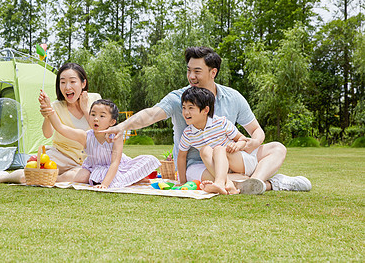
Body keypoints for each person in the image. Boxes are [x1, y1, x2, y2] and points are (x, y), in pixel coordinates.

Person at [103, 46, 311, 194]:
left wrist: (250, 144)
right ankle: (273, 183)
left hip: (232, 157)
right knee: (218, 176)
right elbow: (150, 114)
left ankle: (256, 180)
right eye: (188, 71)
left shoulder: (233, 97)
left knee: (277, 148)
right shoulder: (179, 98)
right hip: (198, 165)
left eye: (197, 71)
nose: (191, 76)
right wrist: (122, 125)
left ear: (213, 72)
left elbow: (257, 132)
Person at [0, 63, 101, 184]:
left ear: (83, 83)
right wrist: (47, 116)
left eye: (73, 81)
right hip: (61, 156)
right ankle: (1, 177)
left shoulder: (95, 99)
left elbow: (100, 131)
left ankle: (50, 180)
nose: (67, 87)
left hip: (87, 160)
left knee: (82, 176)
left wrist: (85, 109)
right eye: (62, 82)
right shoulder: (55, 106)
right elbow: (47, 134)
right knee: (25, 177)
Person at [40, 93, 161, 188]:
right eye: (93, 114)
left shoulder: (116, 136)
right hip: (95, 168)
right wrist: (48, 108)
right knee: (82, 176)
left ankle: (134, 179)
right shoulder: (86, 136)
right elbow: (61, 128)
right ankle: (52, 179)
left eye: (102, 116)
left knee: (146, 161)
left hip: (117, 167)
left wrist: (105, 185)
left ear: (112, 122)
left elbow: (115, 163)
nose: (96, 119)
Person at [178, 86, 249, 195]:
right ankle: (228, 183)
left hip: (234, 160)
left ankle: (220, 183)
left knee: (219, 149)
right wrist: (182, 182)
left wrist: (237, 145)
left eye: (191, 108)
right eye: (184, 107)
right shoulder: (188, 133)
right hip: (217, 167)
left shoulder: (220, 123)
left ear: (206, 110)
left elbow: (242, 139)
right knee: (205, 150)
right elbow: (182, 156)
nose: (186, 112)